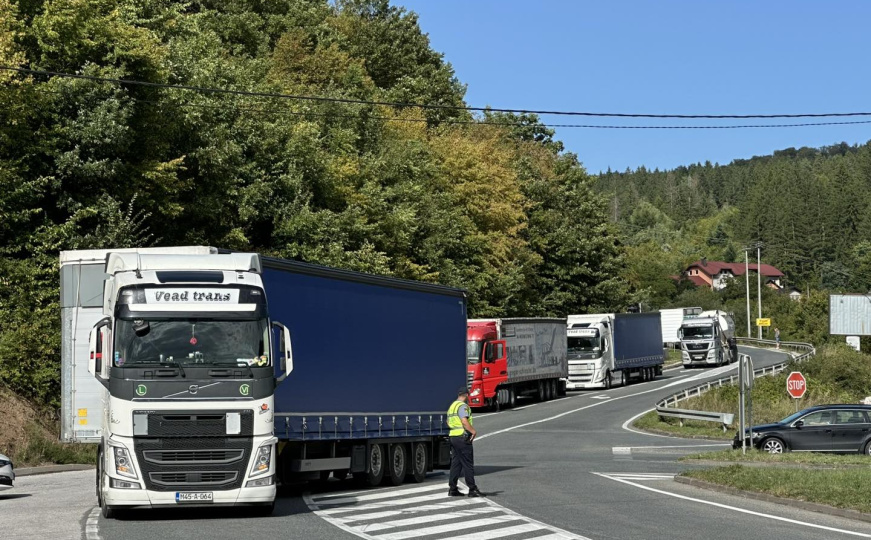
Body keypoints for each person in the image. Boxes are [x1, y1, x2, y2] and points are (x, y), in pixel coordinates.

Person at [446, 387, 482, 497]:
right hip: (463, 437)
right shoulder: (463, 406)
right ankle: (472, 489)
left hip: (453, 436)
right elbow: (464, 421)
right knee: (468, 463)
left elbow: (448, 422)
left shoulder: (452, 406)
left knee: (456, 463)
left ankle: (452, 489)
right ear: (466, 395)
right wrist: (473, 431)